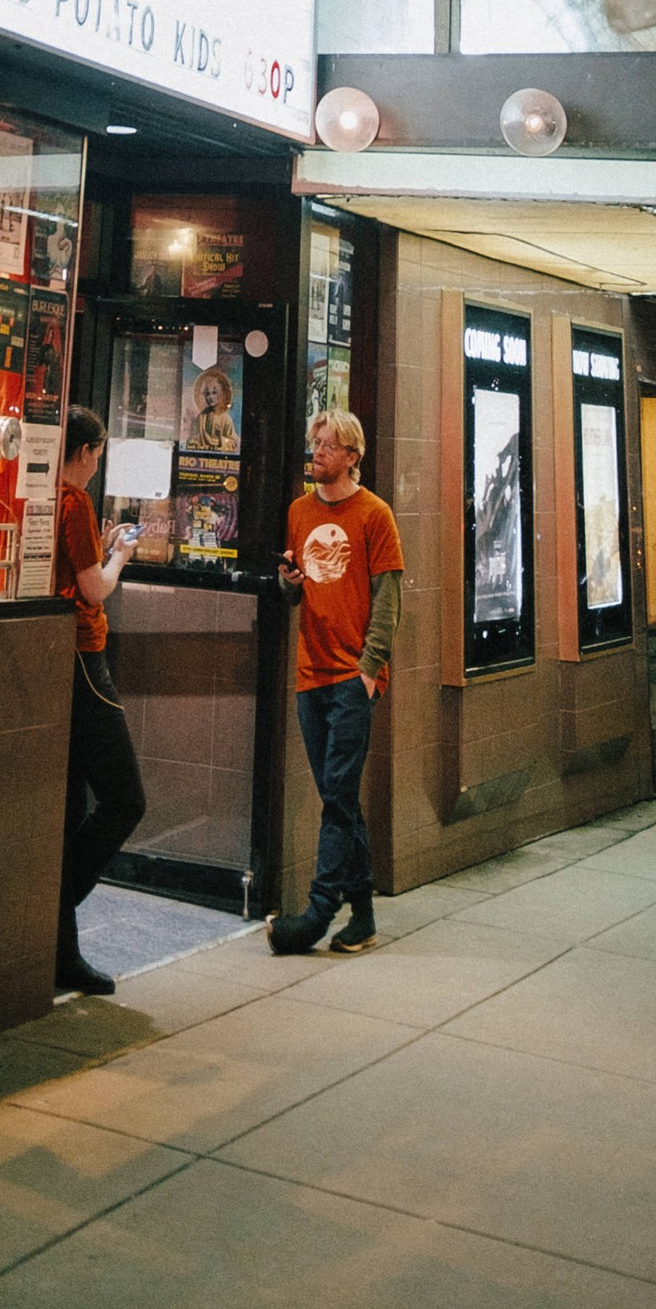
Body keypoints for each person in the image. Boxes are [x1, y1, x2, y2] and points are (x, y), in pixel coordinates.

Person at [269, 407, 404, 956]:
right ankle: (364, 917)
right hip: (311, 672)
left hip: (352, 676)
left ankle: (318, 914)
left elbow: (389, 600)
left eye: (327, 445)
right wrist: (288, 580)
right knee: (338, 797)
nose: (317, 452)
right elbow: (297, 591)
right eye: (315, 442)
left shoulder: (375, 514)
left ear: (352, 455)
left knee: (339, 796)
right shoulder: (299, 511)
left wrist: (369, 671)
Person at [52, 405, 145, 996]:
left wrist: (100, 547)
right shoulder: (75, 501)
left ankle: (61, 945)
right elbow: (94, 586)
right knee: (125, 798)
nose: (96, 466)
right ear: (85, 452)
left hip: (52, 655)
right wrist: (119, 557)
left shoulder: (41, 493)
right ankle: (55, 905)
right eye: (97, 455)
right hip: (85, 660)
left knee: (68, 805)